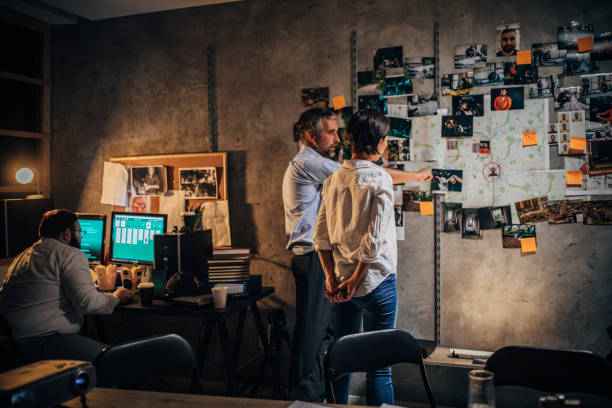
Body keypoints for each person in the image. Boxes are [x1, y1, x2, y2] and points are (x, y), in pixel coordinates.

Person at [282, 108, 431, 401]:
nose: (386, 144)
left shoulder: (336, 177)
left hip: (338, 280)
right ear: (378, 142)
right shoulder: (376, 178)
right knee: (379, 367)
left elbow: (320, 236)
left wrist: (333, 279)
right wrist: (355, 280)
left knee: (342, 360)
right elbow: (373, 242)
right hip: (375, 282)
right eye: (386, 139)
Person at [0, 209, 133, 369]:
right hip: (40, 342)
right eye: (79, 231)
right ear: (67, 234)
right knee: (112, 360)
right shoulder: (69, 254)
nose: (82, 236)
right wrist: (116, 297)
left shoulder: (24, 255)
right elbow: (89, 303)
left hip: (9, 343)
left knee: (92, 338)